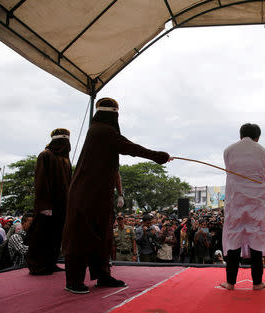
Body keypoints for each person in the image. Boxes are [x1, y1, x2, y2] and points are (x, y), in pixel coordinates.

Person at [62, 98, 171, 294]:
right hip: (85, 196)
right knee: (81, 238)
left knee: (103, 238)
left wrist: (119, 193)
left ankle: (103, 275)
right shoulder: (101, 131)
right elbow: (130, 147)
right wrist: (158, 156)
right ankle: (73, 280)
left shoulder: (100, 132)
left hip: (99, 197)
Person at [220, 123, 265, 290]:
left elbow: (229, 169)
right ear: (258, 137)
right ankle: (257, 283)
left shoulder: (229, 150)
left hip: (236, 200)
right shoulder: (264, 153)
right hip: (257, 201)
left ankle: (230, 282)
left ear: (241, 135)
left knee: (234, 236)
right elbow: (263, 175)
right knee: (256, 236)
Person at [27, 128, 72, 275]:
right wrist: (45, 205)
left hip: (62, 205)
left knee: (56, 236)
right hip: (47, 206)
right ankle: (37, 265)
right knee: (41, 235)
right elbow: (40, 181)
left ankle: (50, 263)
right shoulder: (45, 155)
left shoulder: (66, 160)